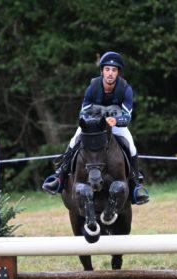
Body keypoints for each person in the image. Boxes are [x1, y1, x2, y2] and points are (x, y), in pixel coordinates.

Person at [42, 51, 149, 205]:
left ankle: (135, 185)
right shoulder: (93, 86)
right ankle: (59, 177)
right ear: (102, 71)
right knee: (73, 141)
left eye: (114, 70)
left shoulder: (125, 89)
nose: (110, 73)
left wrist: (116, 120)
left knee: (131, 147)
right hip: (93, 126)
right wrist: (94, 120)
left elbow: (127, 116)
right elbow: (83, 112)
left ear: (118, 72)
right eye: (107, 69)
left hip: (115, 126)